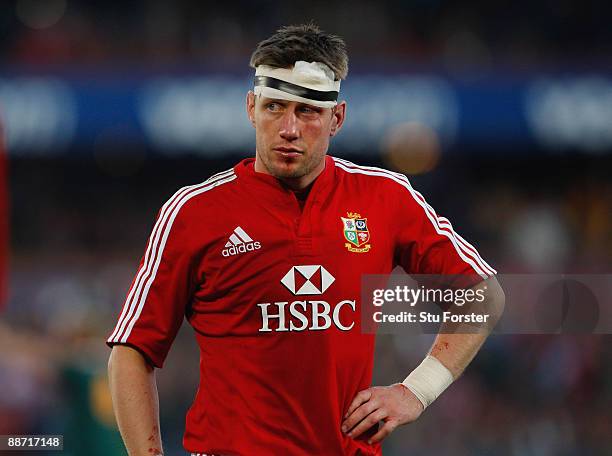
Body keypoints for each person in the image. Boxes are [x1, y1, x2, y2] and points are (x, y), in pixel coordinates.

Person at [107, 24, 505, 456]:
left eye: (308, 111)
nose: (289, 128)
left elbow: (482, 294)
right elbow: (132, 351)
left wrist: (418, 390)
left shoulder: (385, 196)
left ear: (337, 118)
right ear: (250, 108)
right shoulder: (193, 212)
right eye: (274, 107)